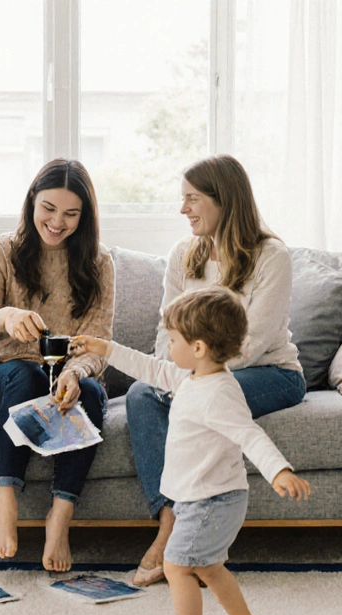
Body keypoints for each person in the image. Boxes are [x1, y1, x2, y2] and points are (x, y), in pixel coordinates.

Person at [72, 287, 311, 615]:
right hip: (198, 499)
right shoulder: (192, 377)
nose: (167, 348)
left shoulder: (219, 393)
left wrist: (278, 469)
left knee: (177, 566)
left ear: (198, 348)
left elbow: (250, 434)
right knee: (209, 567)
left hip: (212, 501)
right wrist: (106, 349)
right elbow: (151, 369)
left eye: (173, 340)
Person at [126, 155, 307, 587]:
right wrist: (171, 376)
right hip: (195, 374)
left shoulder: (271, 255)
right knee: (139, 394)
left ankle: (180, 539)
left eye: (192, 198)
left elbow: (251, 342)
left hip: (268, 372)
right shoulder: (183, 254)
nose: (183, 209)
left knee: (205, 399)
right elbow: (165, 331)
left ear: (224, 200)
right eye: (182, 199)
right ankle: (170, 517)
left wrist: (192, 383)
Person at [0, 159, 114, 572]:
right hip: (2, 375)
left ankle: (59, 517)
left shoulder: (99, 264)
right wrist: (5, 317)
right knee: (25, 373)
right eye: (48, 208)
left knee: (95, 392)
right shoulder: (3, 249)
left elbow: (98, 346)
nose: (57, 222)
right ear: (32, 201)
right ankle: (5, 501)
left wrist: (75, 372)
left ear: (84, 217)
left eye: (70, 214)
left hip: (62, 377)